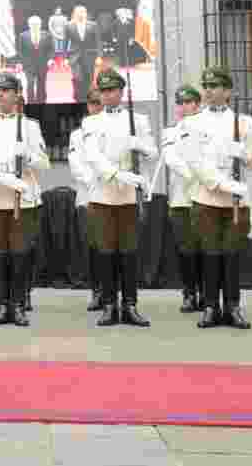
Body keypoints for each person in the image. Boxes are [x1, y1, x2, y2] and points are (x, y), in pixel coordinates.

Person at [0, 72, 49, 326]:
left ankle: (17, 304)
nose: (1, 94)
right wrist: (4, 179)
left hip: (23, 201)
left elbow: (44, 163)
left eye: (7, 90)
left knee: (20, 253)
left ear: (17, 95)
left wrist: (27, 157)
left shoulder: (30, 126)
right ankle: (2, 305)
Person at [81, 68, 157, 327]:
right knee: (105, 252)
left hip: (128, 197)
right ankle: (110, 304)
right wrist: (119, 175)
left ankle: (130, 305)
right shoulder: (91, 123)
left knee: (129, 252)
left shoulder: (140, 120)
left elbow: (153, 153)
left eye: (112, 90)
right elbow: (93, 157)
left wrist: (141, 146)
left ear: (121, 92)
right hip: (103, 195)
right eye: (103, 91)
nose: (107, 95)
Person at [187, 67, 252, 330]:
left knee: (231, 254)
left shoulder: (244, 122)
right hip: (207, 199)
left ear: (227, 91)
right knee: (210, 254)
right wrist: (221, 183)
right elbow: (194, 161)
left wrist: (246, 155)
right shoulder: (194, 122)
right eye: (206, 85)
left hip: (237, 203)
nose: (208, 90)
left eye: (215, 86)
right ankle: (210, 306)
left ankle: (232, 306)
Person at [162, 84, 203, 315]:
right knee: (185, 249)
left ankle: (207, 295)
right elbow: (170, 158)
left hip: (205, 196)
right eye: (179, 103)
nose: (182, 107)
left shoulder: (206, 128)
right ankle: (189, 293)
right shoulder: (171, 131)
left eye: (187, 102)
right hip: (180, 198)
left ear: (197, 104)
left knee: (206, 250)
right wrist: (192, 174)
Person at [69, 88, 104, 311]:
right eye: (92, 103)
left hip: (113, 196)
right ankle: (97, 291)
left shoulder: (114, 129)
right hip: (88, 197)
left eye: (99, 103)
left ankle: (112, 291)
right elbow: (76, 165)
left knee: (113, 249)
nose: (96, 107)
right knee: (93, 248)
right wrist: (94, 181)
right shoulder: (77, 134)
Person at [65, 6, 101, 104]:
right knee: (77, 77)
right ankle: (78, 96)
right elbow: (65, 42)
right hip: (74, 56)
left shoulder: (93, 25)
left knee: (88, 78)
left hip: (89, 55)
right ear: (75, 14)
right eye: (78, 12)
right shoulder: (69, 25)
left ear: (86, 13)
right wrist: (65, 58)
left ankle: (85, 97)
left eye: (82, 12)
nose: (81, 14)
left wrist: (99, 56)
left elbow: (98, 41)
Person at [17, 16, 53, 104]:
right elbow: (20, 51)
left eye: (37, 24)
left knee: (41, 84)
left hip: (43, 64)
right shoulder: (23, 35)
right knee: (30, 83)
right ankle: (30, 102)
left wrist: (50, 59)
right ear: (29, 25)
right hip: (28, 65)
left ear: (40, 24)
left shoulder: (47, 35)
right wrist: (21, 63)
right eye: (33, 24)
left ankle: (41, 101)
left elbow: (51, 49)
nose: (35, 25)